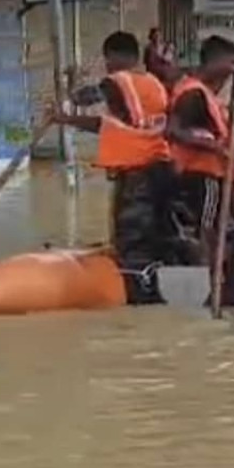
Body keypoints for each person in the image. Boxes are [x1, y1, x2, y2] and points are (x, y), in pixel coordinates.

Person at [53, 31, 175, 303]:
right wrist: (66, 120)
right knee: (155, 235)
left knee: (131, 238)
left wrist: (68, 96)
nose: (106, 66)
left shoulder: (118, 81)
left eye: (107, 60)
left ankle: (134, 295)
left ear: (115, 57)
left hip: (137, 174)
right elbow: (110, 126)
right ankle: (157, 287)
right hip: (161, 168)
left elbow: (88, 97)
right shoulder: (153, 84)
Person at [167, 36, 234, 263]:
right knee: (206, 228)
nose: (233, 70)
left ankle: (213, 273)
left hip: (205, 174)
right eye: (231, 63)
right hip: (200, 174)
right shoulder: (193, 92)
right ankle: (208, 275)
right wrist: (215, 147)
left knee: (211, 226)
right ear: (215, 61)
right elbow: (173, 130)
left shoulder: (206, 94)